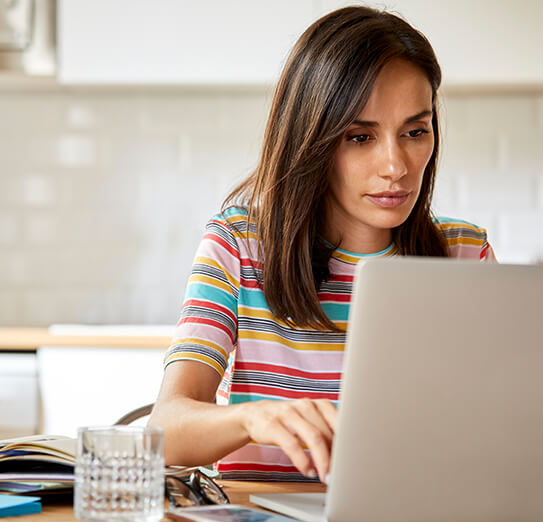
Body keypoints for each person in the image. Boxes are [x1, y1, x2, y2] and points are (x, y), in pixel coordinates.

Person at [148, 5, 496, 484]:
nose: (395, 165)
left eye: (415, 132)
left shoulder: (463, 252)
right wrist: (253, 419)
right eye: (359, 137)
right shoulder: (241, 244)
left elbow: (502, 425)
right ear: (312, 139)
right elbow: (165, 427)